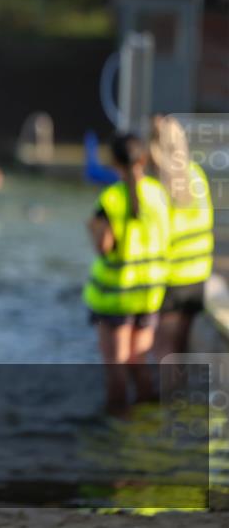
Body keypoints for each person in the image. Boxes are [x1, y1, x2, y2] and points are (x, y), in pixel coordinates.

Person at [83, 133, 170, 417]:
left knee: (116, 364)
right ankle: (147, 419)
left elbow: (104, 247)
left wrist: (92, 229)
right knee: (138, 360)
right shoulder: (159, 193)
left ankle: (117, 425)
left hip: (116, 296)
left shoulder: (112, 198)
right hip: (149, 293)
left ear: (113, 163)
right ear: (143, 159)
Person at [148, 115, 214, 360]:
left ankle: (163, 387)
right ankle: (180, 386)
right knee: (181, 350)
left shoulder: (157, 185)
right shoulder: (197, 175)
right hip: (197, 276)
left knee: (163, 350)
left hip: (171, 279)